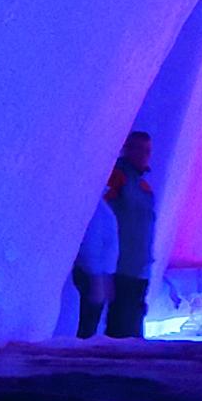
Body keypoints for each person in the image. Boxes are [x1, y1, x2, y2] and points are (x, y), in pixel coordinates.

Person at [103, 129, 157, 338]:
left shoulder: (143, 186)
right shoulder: (117, 178)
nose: (144, 155)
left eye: (147, 151)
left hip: (139, 267)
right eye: (140, 149)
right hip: (121, 266)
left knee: (133, 325)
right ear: (127, 149)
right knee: (120, 325)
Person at [69, 184, 118, 338]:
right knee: (88, 323)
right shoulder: (97, 209)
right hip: (91, 274)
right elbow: (92, 244)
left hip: (97, 273)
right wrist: (97, 278)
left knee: (91, 321)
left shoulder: (101, 207)